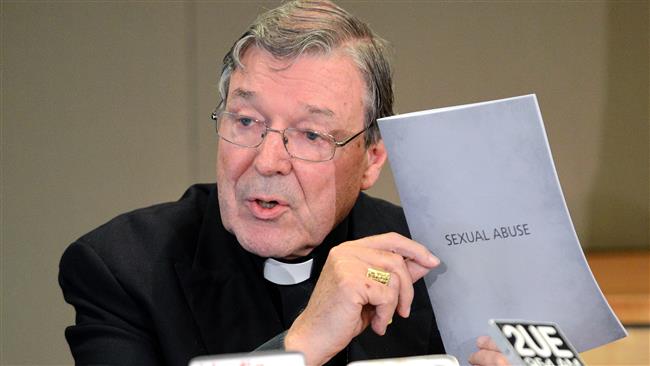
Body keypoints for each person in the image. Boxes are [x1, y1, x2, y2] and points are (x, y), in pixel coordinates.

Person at [59, 1, 507, 365]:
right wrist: (302, 344)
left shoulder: (439, 265)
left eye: (311, 134)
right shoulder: (122, 268)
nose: (267, 160)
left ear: (371, 159)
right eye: (247, 121)